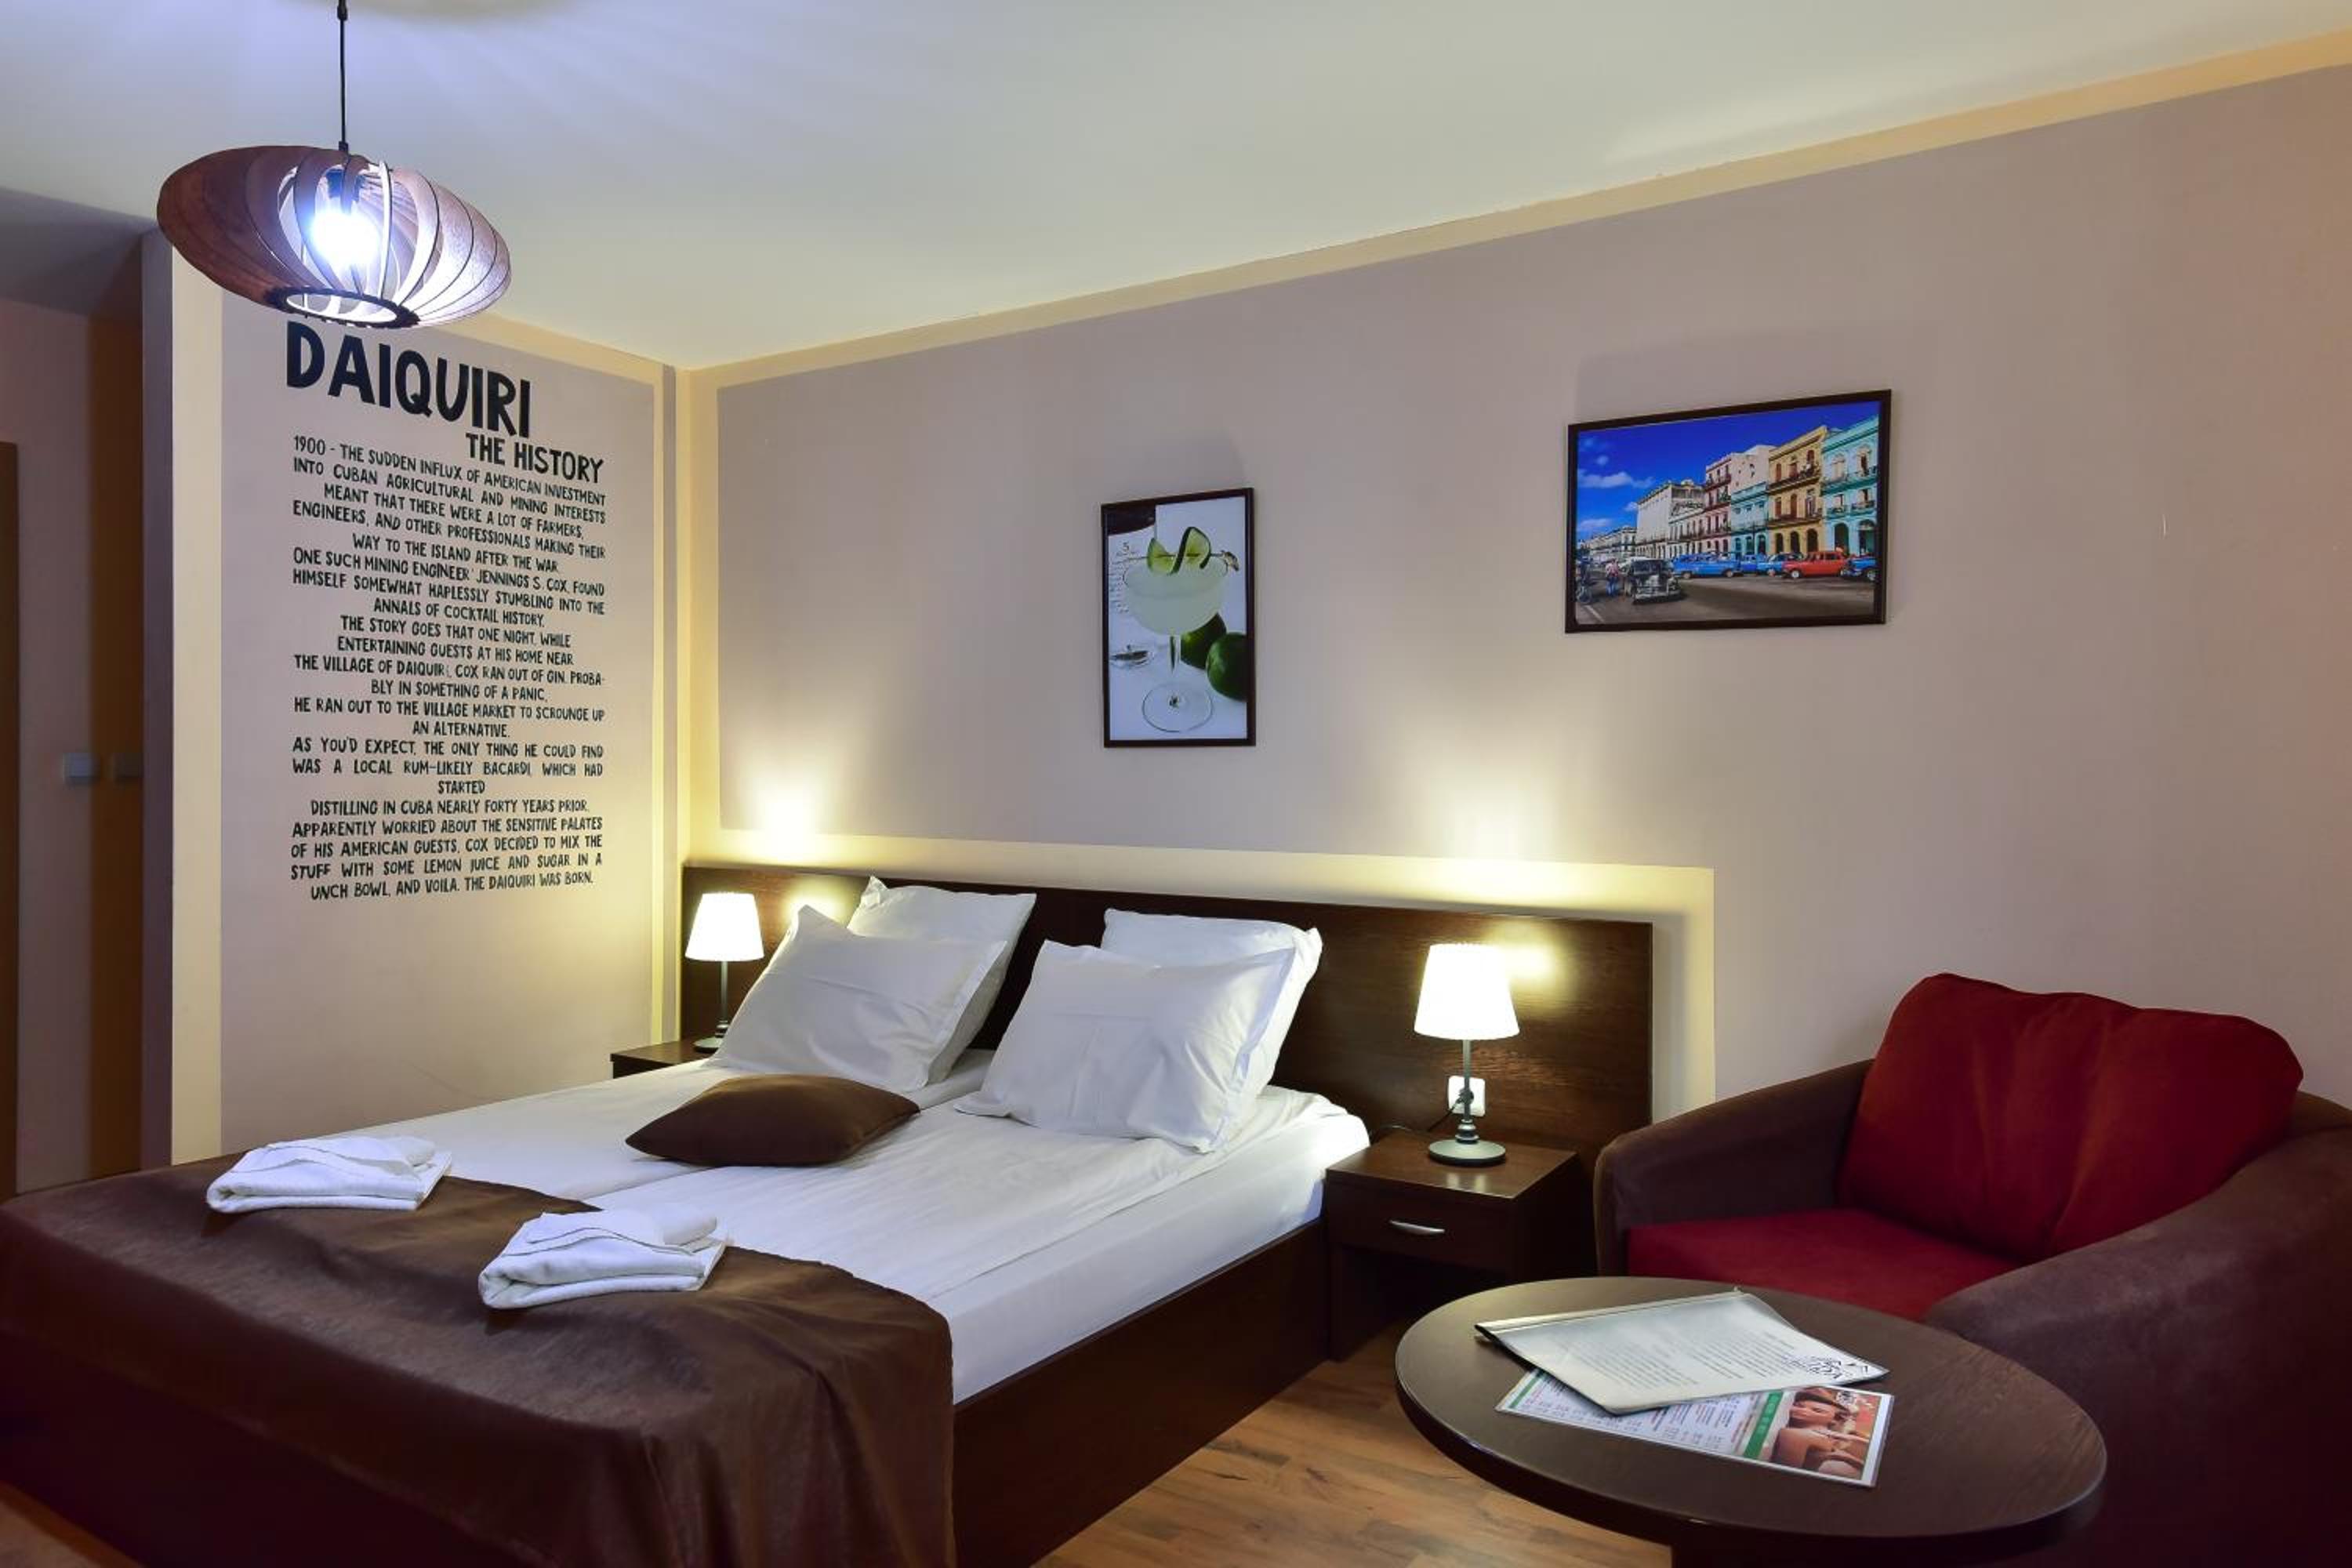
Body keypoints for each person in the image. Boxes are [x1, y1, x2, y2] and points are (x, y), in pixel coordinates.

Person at [1769, 1387, 1871, 1479]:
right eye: (1798, 1406)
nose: (1802, 1411)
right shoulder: (1819, 1436)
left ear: (1834, 1420)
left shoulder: (1795, 1435)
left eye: (1817, 1411)